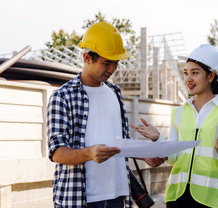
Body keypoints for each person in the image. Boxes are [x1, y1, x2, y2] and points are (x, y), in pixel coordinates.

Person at [47, 22, 163, 208]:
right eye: (106, 63)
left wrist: (144, 156)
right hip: (81, 199)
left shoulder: (115, 92)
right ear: (87, 58)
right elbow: (57, 152)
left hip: (119, 195)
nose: (112, 69)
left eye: (116, 63)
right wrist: (89, 153)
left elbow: (121, 142)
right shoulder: (62, 96)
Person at [133, 44, 218, 208]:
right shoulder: (178, 113)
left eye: (195, 73)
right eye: (185, 73)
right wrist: (158, 139)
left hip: (211, 200)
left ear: (210, 76)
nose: (188, 79)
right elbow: (174, 159)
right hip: (177, 197)